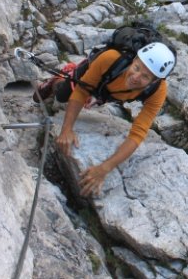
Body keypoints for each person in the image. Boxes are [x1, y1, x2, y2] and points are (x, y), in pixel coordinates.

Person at [44, 42, 176, 197]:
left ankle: (95, 96)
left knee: (93, 100)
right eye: (137, 67)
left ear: (154, 81)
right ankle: (63, 75)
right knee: (61, 95)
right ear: (134, 59)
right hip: (99, 75)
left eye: (145, 76)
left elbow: (138, 133)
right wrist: (66, 129)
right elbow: (81, 91)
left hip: (110, 91)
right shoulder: (110, 59)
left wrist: (104, 168)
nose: (136, 76)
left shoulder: (158, 91)